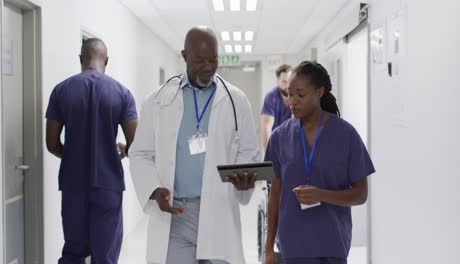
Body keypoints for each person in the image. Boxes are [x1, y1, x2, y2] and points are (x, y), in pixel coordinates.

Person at [129, 26, 260, 264]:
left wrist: (244, 179)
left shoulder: (236, 100)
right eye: (200, 60)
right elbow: (140, 153)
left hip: (219, 210)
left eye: (213, 59)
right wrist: (154, 189)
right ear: (185, 56)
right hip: (176, 213)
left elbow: (249, 150)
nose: (208, 67)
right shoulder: (159, 100)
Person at [264, 61, 375, 264]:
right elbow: (275, 194)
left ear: (319, 92)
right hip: (292, 246)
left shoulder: (346, 135)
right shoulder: (280, 137)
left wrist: (322, 195)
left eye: (301, 95)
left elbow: (361, 194)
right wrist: (268, 248)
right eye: (290, 94)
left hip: (332, 245)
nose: (293, 101)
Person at [45, 38, 138, 264]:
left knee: (74, 252)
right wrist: (123, 151)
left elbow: (52, 143)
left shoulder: (61, 90)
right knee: (105, 255)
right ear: (106, 60)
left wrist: (73, 157)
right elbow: (136, 144)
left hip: (73, 184)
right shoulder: (122, 93)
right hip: (108, 186)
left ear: (80, 59)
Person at [261, 64, 293, 149]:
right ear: (277, 81)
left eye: (290, 81)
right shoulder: (271, 97)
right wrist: (269, 155)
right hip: (277, 143)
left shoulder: (298, 96)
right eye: (284, 81)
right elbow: (267, 128)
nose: (288, 85)